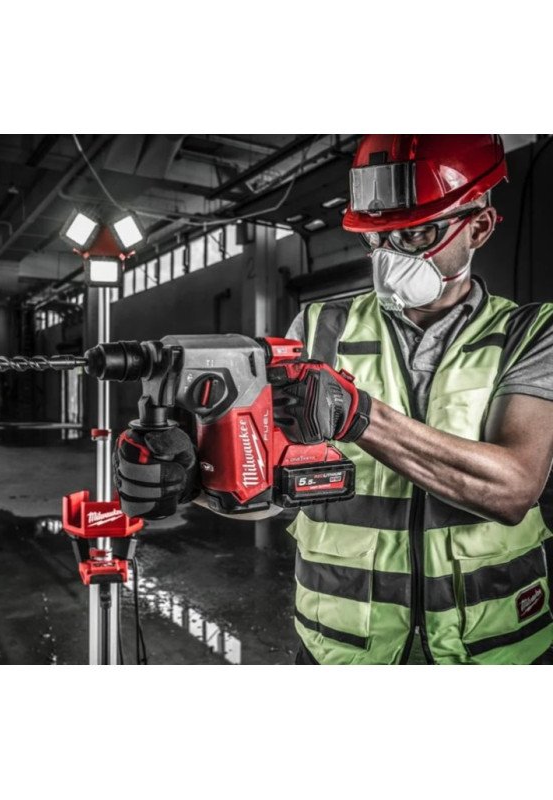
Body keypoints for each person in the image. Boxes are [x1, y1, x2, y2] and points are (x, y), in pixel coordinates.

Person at [114, 135, 553, 665]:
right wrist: (198, 483)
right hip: (344, 644)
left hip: (493, 648)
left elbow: (512, 490)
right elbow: (274, 489)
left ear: (478, 227)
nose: (390, 258)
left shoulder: (530, 333)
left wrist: (360, 416)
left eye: (416, 234)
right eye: (377, 238)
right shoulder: (320, 328)